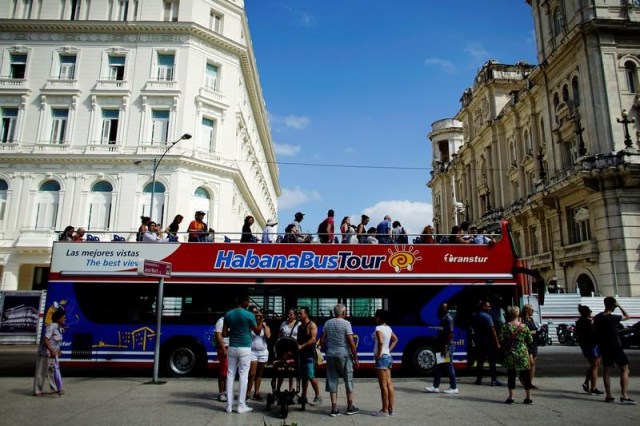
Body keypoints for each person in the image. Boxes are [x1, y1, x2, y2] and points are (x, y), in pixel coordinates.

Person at [223, 294, 262, 414]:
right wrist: (261, 320)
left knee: (230, 374)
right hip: (245, 347)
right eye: (248, 301)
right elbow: (257, 331)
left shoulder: (228, 314)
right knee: (243, 376)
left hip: (232, 346)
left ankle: (229, 405)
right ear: (244, 301)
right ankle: (241, 405)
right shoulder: (249, 315)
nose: (249, 304)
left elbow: (224, 333)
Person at [593, 296, 636, 404]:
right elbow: (627, 316)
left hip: (604, 346)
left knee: (607, 370)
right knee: (625, 369)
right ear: (613, 305)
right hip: (615, 346)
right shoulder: (613, 318)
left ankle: (609, 395)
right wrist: (619, 305)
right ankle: (624, 395)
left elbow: (594, 330)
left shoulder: (597, 317)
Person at [320, 303, 359, 417]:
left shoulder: (327, 323)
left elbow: (322, 341)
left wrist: (327, 351)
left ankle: (334, 409)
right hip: (344, 355)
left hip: (331, 355)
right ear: (343, 313)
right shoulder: (346, 324)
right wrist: (356, 358)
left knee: (332, 381)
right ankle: (350, 407)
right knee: (348, 380)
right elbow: (351, 342)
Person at [499, 306, 533, 404]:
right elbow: (530, 340)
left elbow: (501, 339)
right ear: (518, 314)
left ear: (509, 314)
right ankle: (528, 397)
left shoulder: (505, 326)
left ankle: (511, 397)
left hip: (510, 353)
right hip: (522, 353)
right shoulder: (524, 326)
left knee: (511, 375)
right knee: (526, 375)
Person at [425, 303, 458, 395]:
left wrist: (445, 346)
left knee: (448, 365)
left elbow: (450, 334)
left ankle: (454, 387)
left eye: (444, 308)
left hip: (446, 346)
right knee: (439, 366)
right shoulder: (443, 319)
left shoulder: (448, 319)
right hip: (442, 346)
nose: (441, 309)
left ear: (447, 309)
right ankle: (435, 386)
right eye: (441, 308)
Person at [33, 309, 65, 396]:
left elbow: (55, 342)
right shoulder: (51, 327)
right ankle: (37, 391)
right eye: (63, 317)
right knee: (41, 372)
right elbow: (46, 339)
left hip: (53, 355)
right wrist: (51, 350)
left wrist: (57, 351)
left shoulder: (58, 328)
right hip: (46, 354)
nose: (64, 318)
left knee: (52, 372)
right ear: (58, 318)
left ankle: (54, 389)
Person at [372, 309, 398, 417]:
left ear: (379, 318)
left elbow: (381, 341)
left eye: (376, 316)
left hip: (381, 358)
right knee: (389, 384)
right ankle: (391, 409)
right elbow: (395, 339)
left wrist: (378, 353)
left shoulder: (378, 328)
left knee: (383, 386)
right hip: (388, 357)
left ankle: (384, 410)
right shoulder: (388, 328)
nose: (375, 318)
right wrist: (388, 350)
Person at [296, 306, 322, 406]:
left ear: (306, 314)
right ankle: (304, 396)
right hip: (301, 355)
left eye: (300, 313)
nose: (299, 315)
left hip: (309, 354)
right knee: (304, 377)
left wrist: (302, 346)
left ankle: (318, 396)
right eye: (298, 313)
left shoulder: (311, 325)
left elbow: (313, 339)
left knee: (311, 375)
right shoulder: (299, 326)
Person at [575, 304, 603, 395]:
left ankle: (587, 382)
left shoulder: (579, 322)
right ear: (587, 312)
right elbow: (594, 333)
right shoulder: (589, 322)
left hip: (586, 345)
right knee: (595, 366)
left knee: (594, 365)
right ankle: (593, 388)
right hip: (592, 345)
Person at [473, 300, 502, 386]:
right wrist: (497, 342)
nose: (490, 308)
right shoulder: (487, 317)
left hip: (479, 340)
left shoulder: (476, 315)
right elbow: (492, 330)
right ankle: (493, 380)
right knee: (491, 360)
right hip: (488, 340)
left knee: (480, 360)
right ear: (483, 307)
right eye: (488, 306)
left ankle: (478, 379)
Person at [247, 307, 270, 400]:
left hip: (263, 351)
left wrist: (264, 325)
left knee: (259, 373)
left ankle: (257, 392)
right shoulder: (250, 324)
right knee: (252, 373)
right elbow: (255, 333)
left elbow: (268, 336)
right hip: (253, 351)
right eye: (255, 314)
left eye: (259, 315)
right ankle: (248, 393)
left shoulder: (264, 325)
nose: (257, 316)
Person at [277, 308, 300, 392]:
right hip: (284, 349)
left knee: (292, 370)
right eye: (288, 314)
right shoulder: (283, 323)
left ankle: (291, 390)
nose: (289, 315)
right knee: (282, 369)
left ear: (295, 315)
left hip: (294, 349)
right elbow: (279, 336)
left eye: (291, 314)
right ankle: (278, 389)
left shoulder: (299, 324)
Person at [521, 304, 539, 388]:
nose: (533, 311)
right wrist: (531, 332)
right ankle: (525, 379)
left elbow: (534, 329)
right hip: (526, 343)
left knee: (533, 363)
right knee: (530, 362)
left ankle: (530, 381)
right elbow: (523, 331)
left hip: (533, 343)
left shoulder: (531, 319)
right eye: (531, 310)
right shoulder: (522, 320)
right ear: (527, 310)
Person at [214, 314, 229, 402]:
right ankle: (221, 393)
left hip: (231, 348)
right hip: (224, 348)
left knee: (228, 373)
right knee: (223, 372)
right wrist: (223, 348)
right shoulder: (221, 321)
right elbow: (218, 336)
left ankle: (226, 392)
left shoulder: (230, 321)